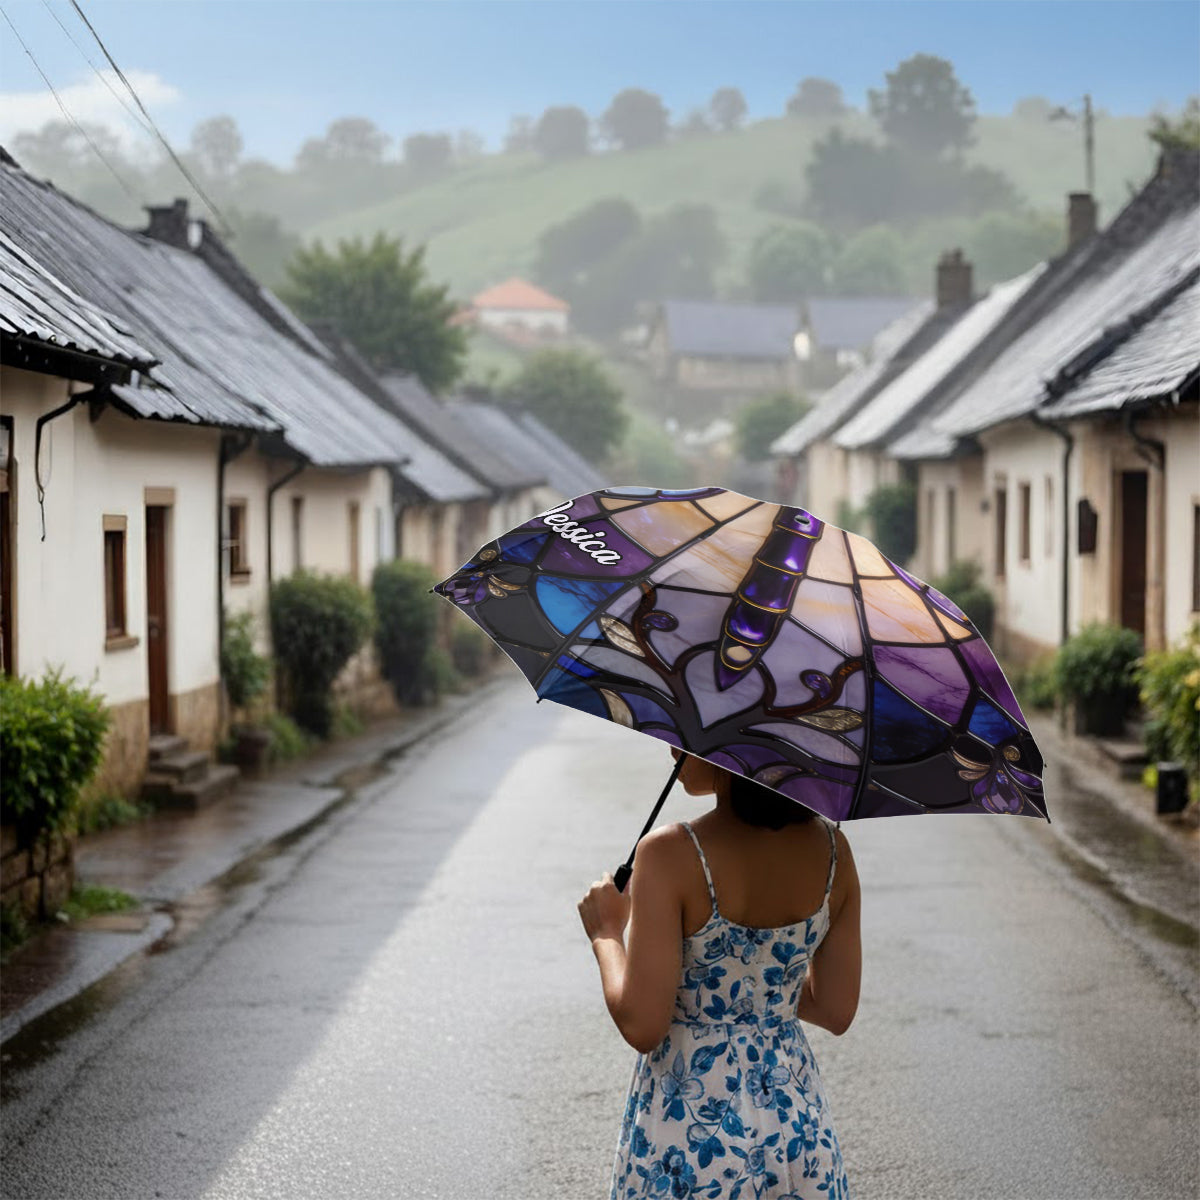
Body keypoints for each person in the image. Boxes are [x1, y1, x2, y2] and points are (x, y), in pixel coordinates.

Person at [579, 750, 861, 1200]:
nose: (674, 749)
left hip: (693, 1130)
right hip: (796, 1126)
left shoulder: (669, 854)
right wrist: (763, 980)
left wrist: (606, 934)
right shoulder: (834, 852)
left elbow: (642, 1024)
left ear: (735, 752)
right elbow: (834, 1009)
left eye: (688, 740)